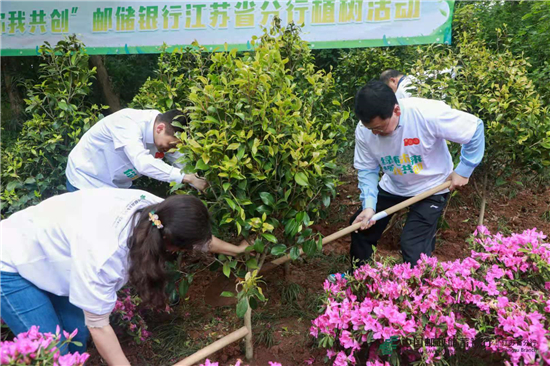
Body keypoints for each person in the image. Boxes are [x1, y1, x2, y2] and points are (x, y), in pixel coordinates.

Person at [0, 188, 249, 364]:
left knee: (76, 337)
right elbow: (99, 326)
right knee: (53, 353)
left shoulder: (159, 214)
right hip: (11, 261)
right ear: (171, 245)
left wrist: (237, 249)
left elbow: (198, 239)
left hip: (52, 257)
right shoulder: (106, 256)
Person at [349, 80, 485, 267]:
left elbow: (475, 128)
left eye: (380, 128)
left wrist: (464, 169)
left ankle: (419, 291)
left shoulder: (426, 113)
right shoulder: (365, 130)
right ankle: (359, 281)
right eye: (371, 129)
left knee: (413, 245)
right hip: (394, 185)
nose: (375, 134)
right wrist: (369, 207)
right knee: (360, 228)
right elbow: (367, 170)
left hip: (432, 187)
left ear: (396, 111)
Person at [65, 108, 207, 192]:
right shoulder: (127, 124)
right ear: (160, 128)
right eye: (171, 145)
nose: (172, 150)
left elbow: (179, 160)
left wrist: (199, 181)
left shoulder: (166, 131)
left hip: (116, 186)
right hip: (86, 180)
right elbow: (143, 163)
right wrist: (186, 178)